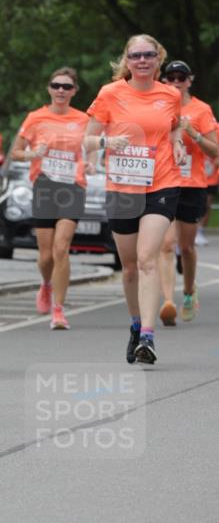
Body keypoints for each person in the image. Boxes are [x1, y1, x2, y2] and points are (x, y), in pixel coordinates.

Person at [85, 34, 185, 364]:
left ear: (158, 60)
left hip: (162, 183)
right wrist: (106, 143)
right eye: (135, 55)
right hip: (123, 187)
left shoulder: (170, 95)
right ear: (126, 61)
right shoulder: (110, 94)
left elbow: (173, 127)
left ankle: (148, 338)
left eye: (148, 55)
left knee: (147, 258)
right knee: (129, 268)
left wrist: (178, 142)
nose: (142, 60)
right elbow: (87, 139)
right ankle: (135, 323)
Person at [11, 67, 92, 330]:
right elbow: (16, 153)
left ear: (74, 91)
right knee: (45, 256)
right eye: (56, 85)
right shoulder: (36, 117)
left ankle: (59, 309)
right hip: (45, 186)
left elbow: (91, 150)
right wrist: (33, 153)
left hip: (72, 187)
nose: (61, 90)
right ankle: (46, 284)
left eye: (66, 87)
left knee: (61, 248)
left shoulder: (84, 119)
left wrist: (90, 164)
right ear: (49, 88)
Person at [158, 61, 217, 324]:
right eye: (170, 78)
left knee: (186, 247)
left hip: (191, 185)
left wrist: (193, 133)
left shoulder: (201, 109)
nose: (175, 82)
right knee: (166, 244)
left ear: (189, 81)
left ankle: (189, 292)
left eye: (180, 77)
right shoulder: (156, 105)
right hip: (163, 182)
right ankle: (168, 301)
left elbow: (214, 150)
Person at [198, 119, 219, 245]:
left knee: (207, 203)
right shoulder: (192, 126)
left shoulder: (216, 129)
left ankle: (200, 230)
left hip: (210, 174)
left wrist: (215, 163)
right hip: (192, 174)